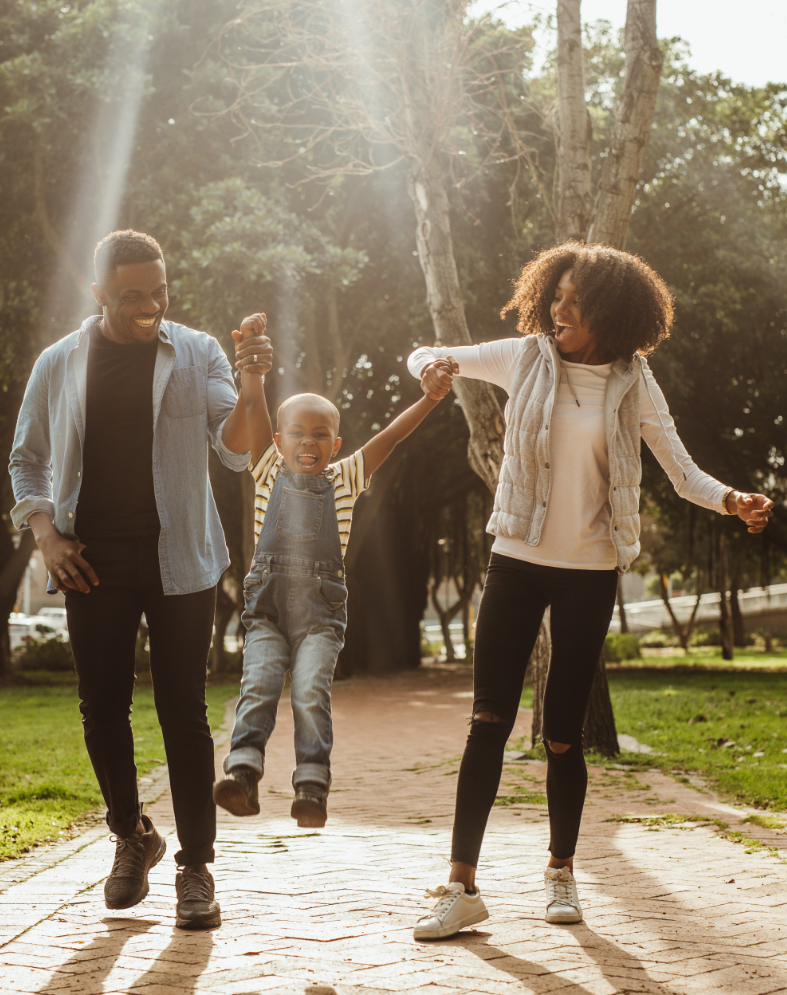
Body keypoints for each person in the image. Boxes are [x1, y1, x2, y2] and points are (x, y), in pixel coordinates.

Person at [406, 241, 774, 939]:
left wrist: (732, 499)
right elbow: (428, 351)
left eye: (575, 299)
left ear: (612, 310)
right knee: (487, 721)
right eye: (556, 294)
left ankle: (561, 873)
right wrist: (431, 365)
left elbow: (682, 470)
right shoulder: (525, 359)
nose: (557, 307)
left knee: (564, 735)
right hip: (515, 559)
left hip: (589, 572)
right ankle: (460, 886)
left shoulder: (634, 382)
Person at [9, 230, 264, 930]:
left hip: (180, 556)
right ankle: (132, 834)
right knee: (102, 709)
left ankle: (195, 869)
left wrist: (251, 383)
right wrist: (45, 535)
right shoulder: (59, 363)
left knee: (183, 710)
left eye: (160, 291)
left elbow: (235, 450)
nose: (151, 305)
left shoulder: (198, 350)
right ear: (98, 295)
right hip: (93, 560)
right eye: (132, 296)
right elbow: (25, 458)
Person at [212, 314, 455, 828]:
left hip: (321, 616)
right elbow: (253, 401)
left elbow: (392, 436)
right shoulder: (266, 467)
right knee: (257, 685)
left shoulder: (346, 477)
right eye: (296, 433)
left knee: (308, 691)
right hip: (267, 612)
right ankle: (242, 774)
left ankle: (311, 787)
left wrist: (431, 399)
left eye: (320, 434)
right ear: (277, 442)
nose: (308, 442)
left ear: (336, 445)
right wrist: (252, 351)